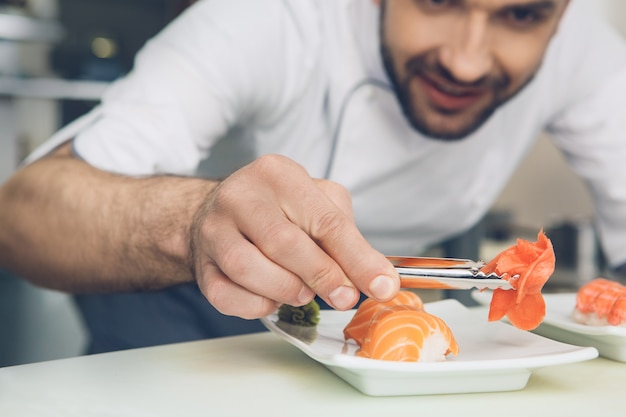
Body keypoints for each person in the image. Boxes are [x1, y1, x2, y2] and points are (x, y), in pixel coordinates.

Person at [1, 0, 625, 353]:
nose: (465, 61)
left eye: (520, 17)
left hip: (376, 313)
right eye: (438, 1)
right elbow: (23, 212)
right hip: (186, 301)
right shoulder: (272, 18)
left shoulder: (584, 51)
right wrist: (193, 225)